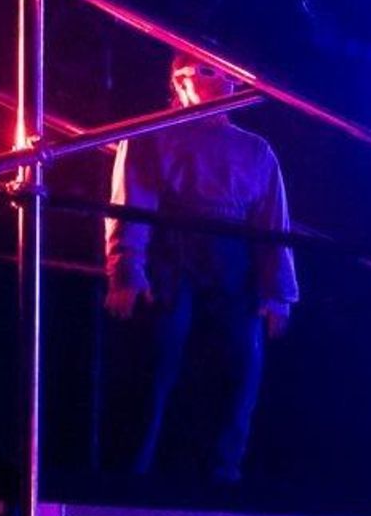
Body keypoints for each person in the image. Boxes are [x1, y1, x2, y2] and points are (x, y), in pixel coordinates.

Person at [105, 52, 296, 482]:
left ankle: (222, 477)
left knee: (240, 366)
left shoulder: (255, 149)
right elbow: (130, 204)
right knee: (157, 362)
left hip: (234, 256)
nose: (198, 84)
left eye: (210, 73)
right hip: (172, 248)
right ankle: (130, 479)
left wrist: (278, 292)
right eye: (187, 75)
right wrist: (127, 270)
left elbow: (273, 224)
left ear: (232, 82)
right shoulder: (151, 134)